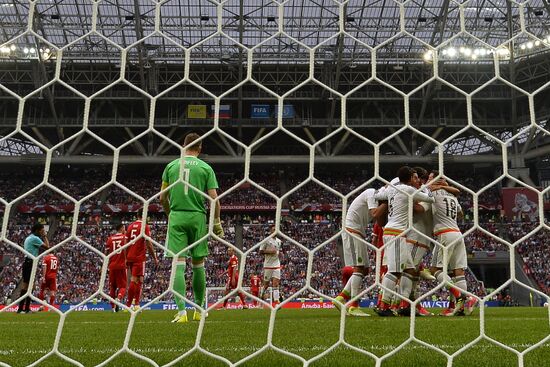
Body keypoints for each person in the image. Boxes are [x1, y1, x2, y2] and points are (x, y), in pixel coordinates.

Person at [160, 132, 224, 323]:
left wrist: (169, 214)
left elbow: (162, 198)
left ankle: (181, 313)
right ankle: (198, 310)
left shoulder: (171, 166)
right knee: (198, 265)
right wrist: (217, 222)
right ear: (200, 148)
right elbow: (214, 199)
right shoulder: (205, 168)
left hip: (177, 215)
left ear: (183, 145)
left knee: (178, 265)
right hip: (198, 218)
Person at [374, 167, 435, 316]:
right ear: (409, 179)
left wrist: (386, 188)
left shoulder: (392, 189)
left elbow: (377, 195)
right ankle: (384, 306)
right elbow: (430, 199)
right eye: (415, 178)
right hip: (396, 233)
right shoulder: (408, 190)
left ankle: (405, 305)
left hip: (392, 231)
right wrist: (428, 188)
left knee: (409, 270)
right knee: (394, 270)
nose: (417, 180)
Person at [430, 179, 477, 316]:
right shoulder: (452, 197)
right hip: (457, 233)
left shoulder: (434, 193)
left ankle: (464, 298)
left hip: (444, 234)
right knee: (458, 272)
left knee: (435, 269)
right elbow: (461, 214)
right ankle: (461, 307)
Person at [333, 188, 379, 317]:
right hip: (353, 231)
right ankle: (353, 306)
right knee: (358, 268)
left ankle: (341, 298)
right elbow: (375, 214)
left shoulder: (376, 200)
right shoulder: (372, 193)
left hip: (358, 232)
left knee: (365, 270)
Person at [125, 217, 158, 311]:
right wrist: (154, 257)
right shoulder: (144, 226)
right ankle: (129, 305)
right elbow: (148, 243)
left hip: (130, 255)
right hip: (139, 257)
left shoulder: (130, 226)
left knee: (139, 279)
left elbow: (125, 243)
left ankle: (135, 304)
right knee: (135, 279)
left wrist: (126, 257)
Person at [17, 223, 49, 313]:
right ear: (37, 230)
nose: (43, 232)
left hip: (28, 262)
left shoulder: (29, 237)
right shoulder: (35, 238)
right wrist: (45, 236)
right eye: (42, 230)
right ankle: (22, 309)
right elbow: (47, 247)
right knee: (27, 286)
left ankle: (26, 308)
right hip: (30, 263)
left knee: (30, 286)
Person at [106, 224, 127, 312]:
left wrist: (107, 266)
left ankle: (113, 307)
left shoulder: (110, 239)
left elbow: (106, 253)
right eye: (124, 228)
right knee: (123, 286)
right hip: (121, 265)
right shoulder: (125, 237)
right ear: (121, 228)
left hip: (112, 266)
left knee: (112, 287)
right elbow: (127, 250)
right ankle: (118, 299)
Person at [259, 227, 282, 306]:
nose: (274, 231)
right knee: (266, 284)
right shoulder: (266, 240)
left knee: (275, 284)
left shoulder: (279, 241)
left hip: (276, 264)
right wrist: (269, 252)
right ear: (270, 231)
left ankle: (276, 302)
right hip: (268, 265)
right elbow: (260, 252)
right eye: (273, 229)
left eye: (275, 229)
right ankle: (261, 294)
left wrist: (279, 254)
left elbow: (277, 251)